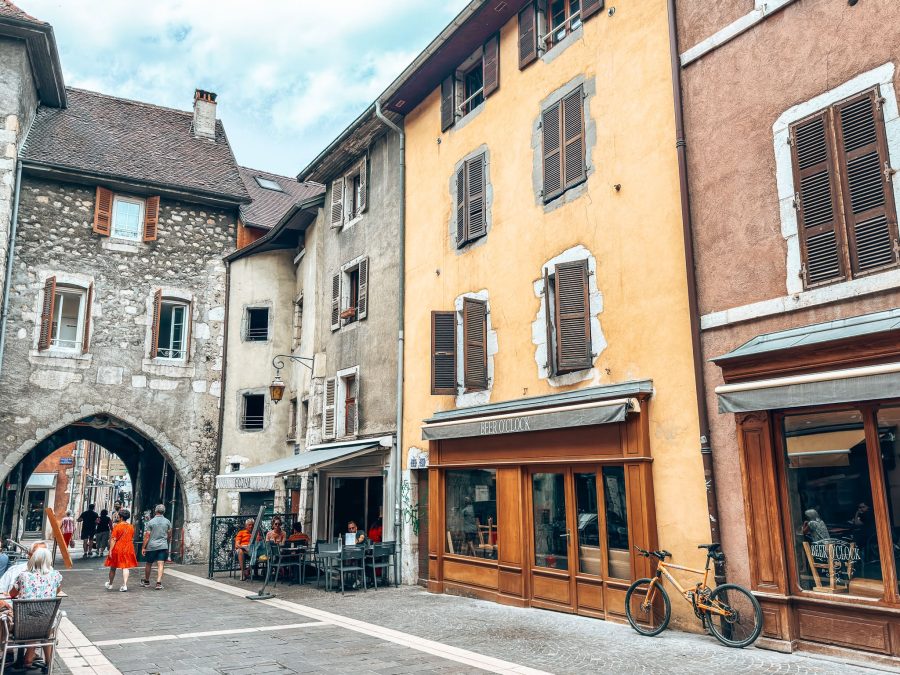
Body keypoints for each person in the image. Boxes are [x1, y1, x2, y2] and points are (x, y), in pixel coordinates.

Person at [9, 547, 62, 673]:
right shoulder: (56, 576)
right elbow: (58, 591)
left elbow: (12, 594)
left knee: (30, 619)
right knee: (44, 626)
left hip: (23, 625)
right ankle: (46, 662)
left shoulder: (23, 576)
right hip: (46, 623)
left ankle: (27, 658)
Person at [104, 508, 137, 592]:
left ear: (121, 517)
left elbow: (113, 539)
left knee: (113, 567)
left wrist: (110, 550)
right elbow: (132, 536)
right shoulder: (131, 526)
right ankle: (125, 585)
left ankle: (110, 584)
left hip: (118, 547)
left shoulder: (117, 526)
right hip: (128, 547)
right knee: (125, 567)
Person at [140, 504, 171, 590]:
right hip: (163, 546)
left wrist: (143, 547)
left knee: (149, 563)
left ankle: (146, 581)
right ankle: (158, 582)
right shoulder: (167, 521)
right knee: (160, 564)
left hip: (152, 546)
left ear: (155, 511)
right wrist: (166, 542)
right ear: (163, 511)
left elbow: (147, 536)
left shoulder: (151, 522)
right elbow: (169, 534)